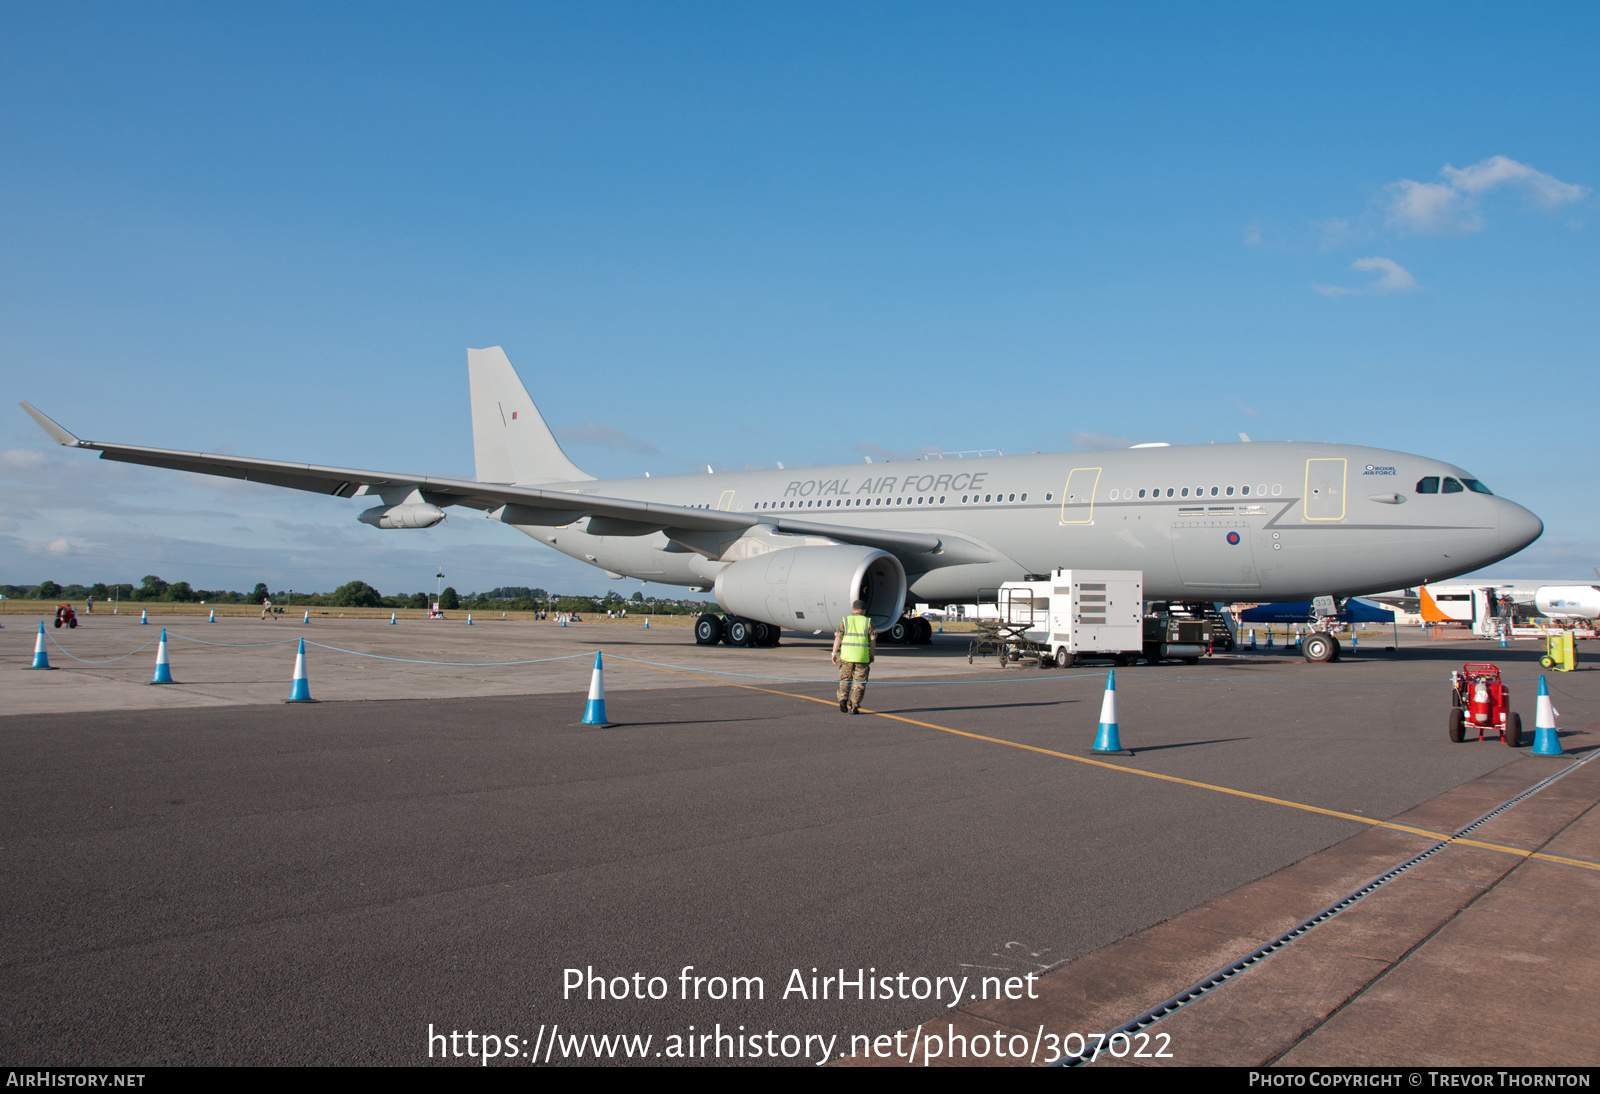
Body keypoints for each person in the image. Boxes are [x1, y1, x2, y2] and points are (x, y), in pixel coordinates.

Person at [831, 600, 876, 714]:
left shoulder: (845, 620)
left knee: (845, 680)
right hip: (862, 657)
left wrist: (833, 653)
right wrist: (872, 654)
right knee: (859, 683)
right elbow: (873, 640)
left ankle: (842, 699)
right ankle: (855, 706)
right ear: (861, 610)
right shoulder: (867, 622)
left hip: (847, 657)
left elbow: (838, 637)